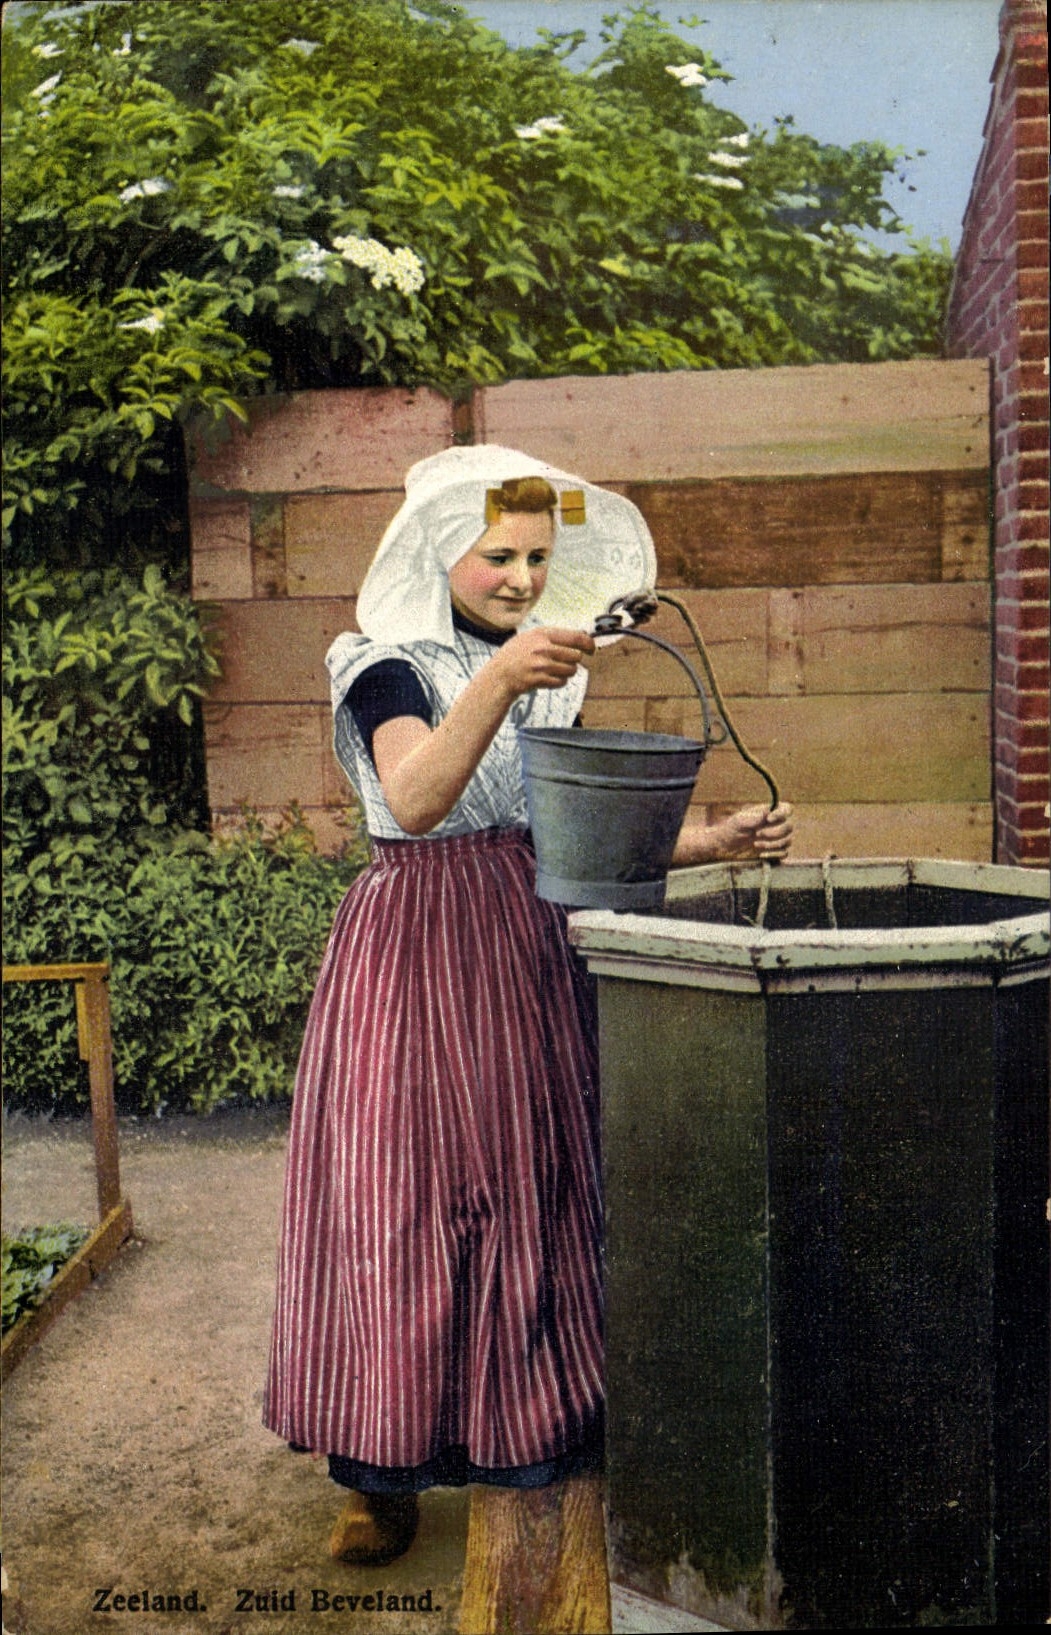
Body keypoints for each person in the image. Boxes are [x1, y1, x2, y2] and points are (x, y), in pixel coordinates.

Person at [263, 445, 793, 1634]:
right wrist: (498, 680)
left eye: (539, 559)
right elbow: (413, 801)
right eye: (498, 553)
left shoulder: (553, 678)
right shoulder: (381, 666)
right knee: (403, 1197)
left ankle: (528, 1436)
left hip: (533, 936)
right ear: (436, 552)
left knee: (539, 1189)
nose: (518, 577)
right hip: (414, 948)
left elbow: (576, 830)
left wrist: (716, 839)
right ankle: (374, 1473)